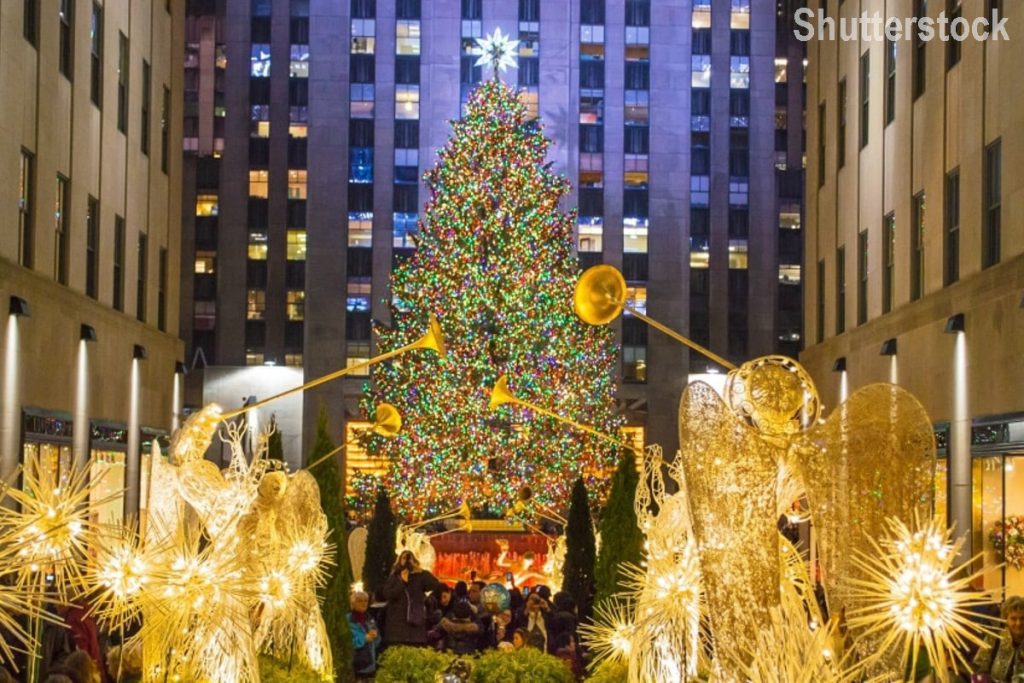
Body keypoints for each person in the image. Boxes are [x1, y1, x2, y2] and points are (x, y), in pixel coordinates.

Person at [383, 550, 442, 646]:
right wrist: (402, 582)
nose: (407, 561)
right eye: (404, 558)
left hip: (415, 626)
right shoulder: (394, 577)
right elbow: (388, 594)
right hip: (397, 627)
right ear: (399, 561)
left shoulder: (420, 576)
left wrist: (421, 571)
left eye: (409, 558)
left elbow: (435, 584)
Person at [972, 595, 1024, 681]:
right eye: (1013, 618)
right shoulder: (994, 638)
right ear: (1005, 619)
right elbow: (978, 669)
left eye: (1022, 618)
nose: (1018, 623)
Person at [348, 590, 380, 677]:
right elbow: (347, 642)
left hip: (370, 665)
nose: (364, 603)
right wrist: (364, 638)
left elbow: (377, 641)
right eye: (360, 601)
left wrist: (376, 636)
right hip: (356, 665)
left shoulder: (370, 618)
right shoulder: (348, 620)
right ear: (353, 603)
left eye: (365, 601)